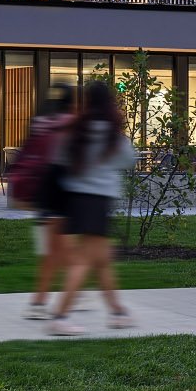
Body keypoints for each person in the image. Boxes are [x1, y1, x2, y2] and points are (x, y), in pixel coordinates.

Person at [48, 80, 137, 336]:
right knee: (85, 261)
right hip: (98, 202)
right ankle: (60, 316)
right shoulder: (112, 135)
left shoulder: (77, 131)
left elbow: (60, 158)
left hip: (76, 200)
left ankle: (118, 312)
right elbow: (130, 159)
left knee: (102, 260)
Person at [14, 87, 77, 320]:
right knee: (57, 251)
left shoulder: (40, 122)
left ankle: (54, 296)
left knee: (56, 250)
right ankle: (42, 302)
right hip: (60, 192)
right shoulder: (69, 123)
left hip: (42, 191)